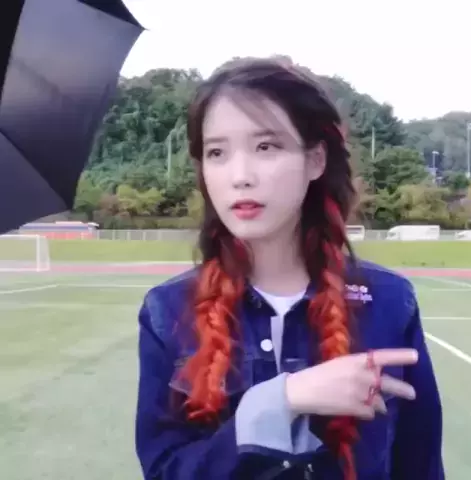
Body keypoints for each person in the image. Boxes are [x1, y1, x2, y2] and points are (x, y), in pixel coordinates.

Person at [134, 57, 444, 480]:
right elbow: (166, 471)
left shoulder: (389, 301)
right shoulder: (168, 310)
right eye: (217, 152)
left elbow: (420, 465)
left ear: (315, 160)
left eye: (266, 147)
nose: (240, 176)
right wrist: (281, 401)